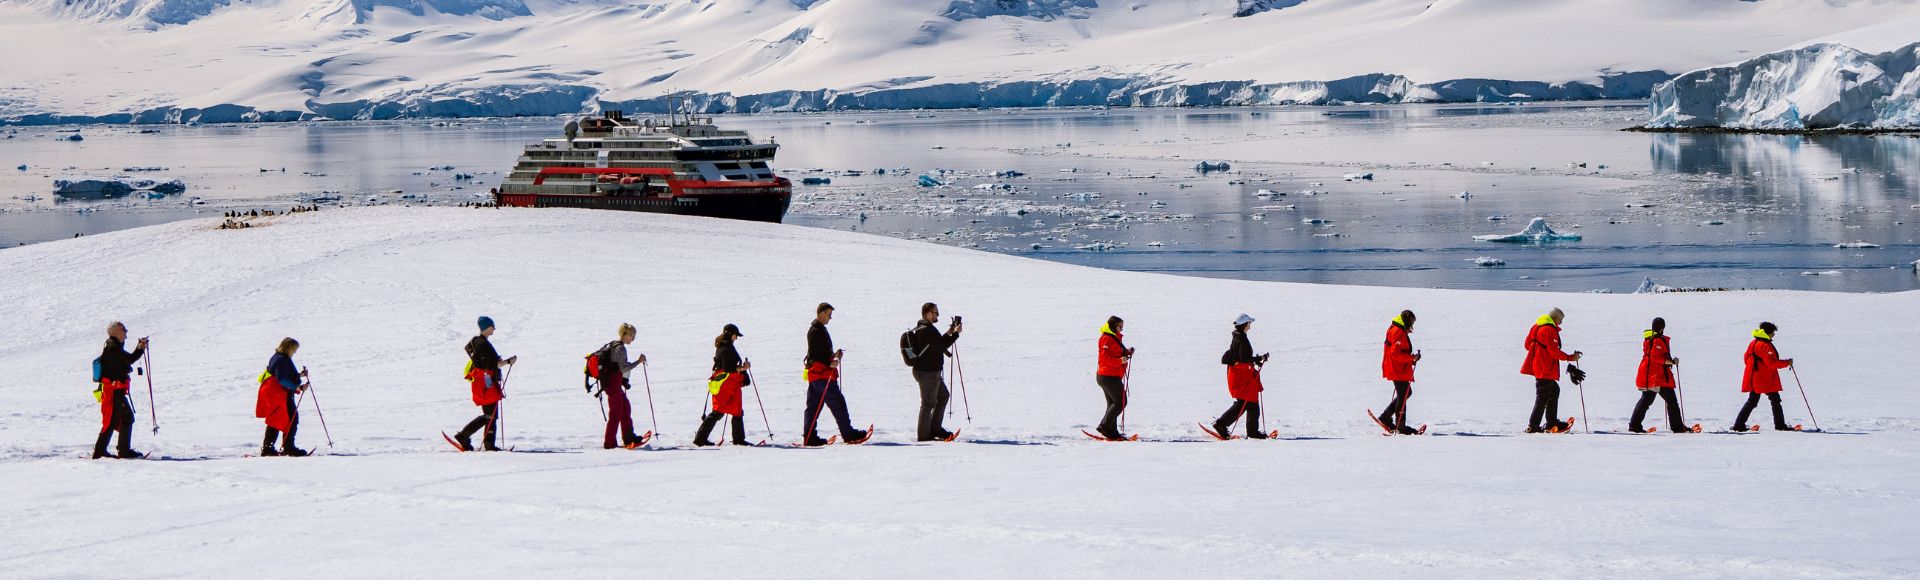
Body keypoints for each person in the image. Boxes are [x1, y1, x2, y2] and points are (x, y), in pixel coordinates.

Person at [802, 303, 870, 446]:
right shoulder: (816, 331)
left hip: (817, 375)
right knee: (838, 403)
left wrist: (833, 355)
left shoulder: (818, 329)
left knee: (813, 406)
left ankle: (809, 436)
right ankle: (848, 434)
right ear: (821, 313)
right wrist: (829, 363)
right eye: (828, 314)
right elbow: (815, 356)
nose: (830, 317)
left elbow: (819, 354)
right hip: (821, 374)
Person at [453, 316, 516, 451]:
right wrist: (509, 362)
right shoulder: (483, 344)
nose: (494, 328)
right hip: (487, 384)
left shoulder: (477, 342)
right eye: (492, 326)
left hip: (482, 383)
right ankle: (468, 437)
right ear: (487, 327)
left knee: (490, 415)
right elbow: (493, 364)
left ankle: (481, 441)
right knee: (490, 415)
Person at [903, 303, 962, 442]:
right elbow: (940, 345)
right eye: (936, 313)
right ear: (928, 313)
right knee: (928, 404)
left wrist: (949, 332)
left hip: (929, 372)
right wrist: (955, 334)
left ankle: (935, 429)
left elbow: (936, 344)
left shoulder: (923, 329)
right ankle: (924, 436)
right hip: (927, 373)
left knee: (943, 396)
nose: (937, 315)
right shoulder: (927, 331)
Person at [1522, 308, 1582, 433]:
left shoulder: (1536, 326)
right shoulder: (1549, 329)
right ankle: (1534, 426)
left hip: (1539, 366)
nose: (1561, 323)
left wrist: (1539, 352)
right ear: (1555, 318)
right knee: (1543, 397)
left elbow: (1527, 345)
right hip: (1545, 368)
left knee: (1553, 391)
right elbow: (1554, 351)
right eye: (1560, 320)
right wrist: (1570, 357)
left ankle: (1551, 422)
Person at [93, 322, 147, 459]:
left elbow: (126, 360)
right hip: (114, 392)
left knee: (113, 420)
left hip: (114, 391)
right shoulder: (113, 347)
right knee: (125, 418)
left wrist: (140, 348)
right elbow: (129, 360)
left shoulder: (112, 346)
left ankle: (101, 451)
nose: (126, 334)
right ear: (116, 331)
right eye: (124, 330)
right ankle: (122, 451)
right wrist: (140, 349)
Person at [1211, 314, 1270, 439]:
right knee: (1244, 402)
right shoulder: (1241, 339)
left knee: (1251, 403)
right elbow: (1244, 358)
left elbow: (1242, 357)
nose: (1250, 325)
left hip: (1240, 375)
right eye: (1249, 323)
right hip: (1241, 376)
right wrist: (1259, 358)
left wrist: (1256, 360)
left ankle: (1252, 432)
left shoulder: (1238, 336)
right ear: (1245, 325)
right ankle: (1221, 424)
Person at [1630, 318, 1691, 434]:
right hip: (1655, 377)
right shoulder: (1656, 341)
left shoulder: (1651, 339)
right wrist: (1672, 362)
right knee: (1669, 401)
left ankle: (1634, 425)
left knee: (1647, 400)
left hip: (1653, 375)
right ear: (1662, 328)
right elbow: (1656, 357)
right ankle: (1677, 427)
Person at [1733, 322, 1796, 431]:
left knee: (1752, 401)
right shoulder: (1764, 345)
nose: (1773, 335)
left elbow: (1746, 358)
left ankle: (1739, 425)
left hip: (1755, 377)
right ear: (1768, 333)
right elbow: (1771, 363)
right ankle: (1780, 425)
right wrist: (1787, 363)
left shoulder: (1754, 342)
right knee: (1775, 400)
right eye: (1773, 333)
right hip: (1764, 379)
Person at [695, 324, 751, 447]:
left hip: (729, 385)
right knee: (719, 411)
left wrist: (742, 370)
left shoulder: (725, 346)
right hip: (726, 385)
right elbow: (728, 368)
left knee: (735, 411)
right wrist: (743, 368)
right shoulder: (725, 348)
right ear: (730, 334)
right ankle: (700, 439)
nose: (736, 338)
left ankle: (738, 439)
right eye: (736, 335)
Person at [595, 323, 648, 449]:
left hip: (613, 384)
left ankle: (628, 437)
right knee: (616, 413)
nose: (632, 339)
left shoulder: (613, 344)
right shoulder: (620, 349)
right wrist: (638, 362)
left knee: (625, 408)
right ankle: (609, 443)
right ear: (625, 335)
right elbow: (623, 368)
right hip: (612, 385)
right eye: (631, 336)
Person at [255, 337, 311, 456]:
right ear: (288, 348)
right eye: (294, 350)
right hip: (277, 394)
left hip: (276, 393)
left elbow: (282, 375)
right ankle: (287, 447)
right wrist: (298, 387)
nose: (294, 352)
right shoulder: (281, 359)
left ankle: (269, 448)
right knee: (290, 418)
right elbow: (281, 379)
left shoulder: (280, 357)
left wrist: (299, 376)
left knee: (277, 419)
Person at [1378, 310, 1422, 435]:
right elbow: (1395, 353)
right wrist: (1411, 358)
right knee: (1404, 394)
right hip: (1396, 368)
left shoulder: (1397, 329)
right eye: (1412, 321)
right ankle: (1399, 425)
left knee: (1405, 393)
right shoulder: (1397, 331)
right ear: (1407, 320)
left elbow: (1399, 351)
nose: (1413, 324)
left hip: (1397, 367)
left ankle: (1386, 417)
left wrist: (1411, 359)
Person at [1094, 316, 1134, 440]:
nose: (1121, 329)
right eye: (1119, 326)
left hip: (1110, 375)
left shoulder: (1114, 338)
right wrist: (1120, 361)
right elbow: (1105, 359)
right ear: (1113, 325)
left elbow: (1115, 353)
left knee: (1113, 404)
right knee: (1121, 402)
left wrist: (1126, 352)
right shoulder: (1106, 339)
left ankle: (1112, 432)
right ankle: (1104, 426)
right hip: (1108, 376)